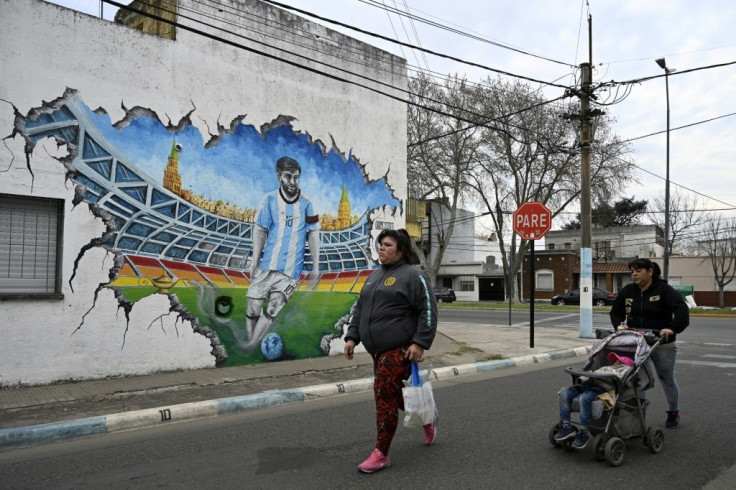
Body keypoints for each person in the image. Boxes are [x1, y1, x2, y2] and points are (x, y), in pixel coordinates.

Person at [343, 228, 438, 473]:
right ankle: (427, 415)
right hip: (377, 351)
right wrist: (352, 336)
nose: (381, 248)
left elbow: (428, 308)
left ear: (401, 250)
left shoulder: (413, 276)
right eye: (380, 244)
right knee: (394, 395)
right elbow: (360, 308)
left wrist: (420, 342)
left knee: (383, 394)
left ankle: (381, 453)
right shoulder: (374, 277)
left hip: (400, 349)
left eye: (387, 244)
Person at [244, 156, 320, 350]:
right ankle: (251, 342)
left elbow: (313, 234)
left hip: (290, 271)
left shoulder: (307, 203)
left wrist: (316, 267)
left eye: (296, 177)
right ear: (279, 176)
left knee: (273, 306)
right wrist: (254, 263)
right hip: (267, 266)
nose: (293, 182)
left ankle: (252, 345)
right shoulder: (269, 200)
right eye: (288, 177)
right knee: (253, 307)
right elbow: (260, 231)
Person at [609, 258, 689, 428]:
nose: (634, 274)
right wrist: (618, 325)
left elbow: (682, 310)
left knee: (665, 378)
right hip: (637, 343)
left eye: (638, 270)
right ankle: (638, 414)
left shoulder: (664, 290)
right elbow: (615, 312)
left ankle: (673, 411)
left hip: (662, 343)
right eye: (632, 271)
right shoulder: (628, 291)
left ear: (650, 271)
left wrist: (672, 328)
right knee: (637, 378)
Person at [554, 352, 634, 449]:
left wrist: (596, 373)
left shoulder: (625, 369)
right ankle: (566, 426)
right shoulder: (606, 367)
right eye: (616, 360)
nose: (615, 361)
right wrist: (582, 378)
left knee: (584, 398)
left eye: (618, 360)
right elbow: (590, 374)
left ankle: (583, 432)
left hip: (601, 387)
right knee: (564, 394)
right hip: (588, 383)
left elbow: (619, 378)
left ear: (624, 363)